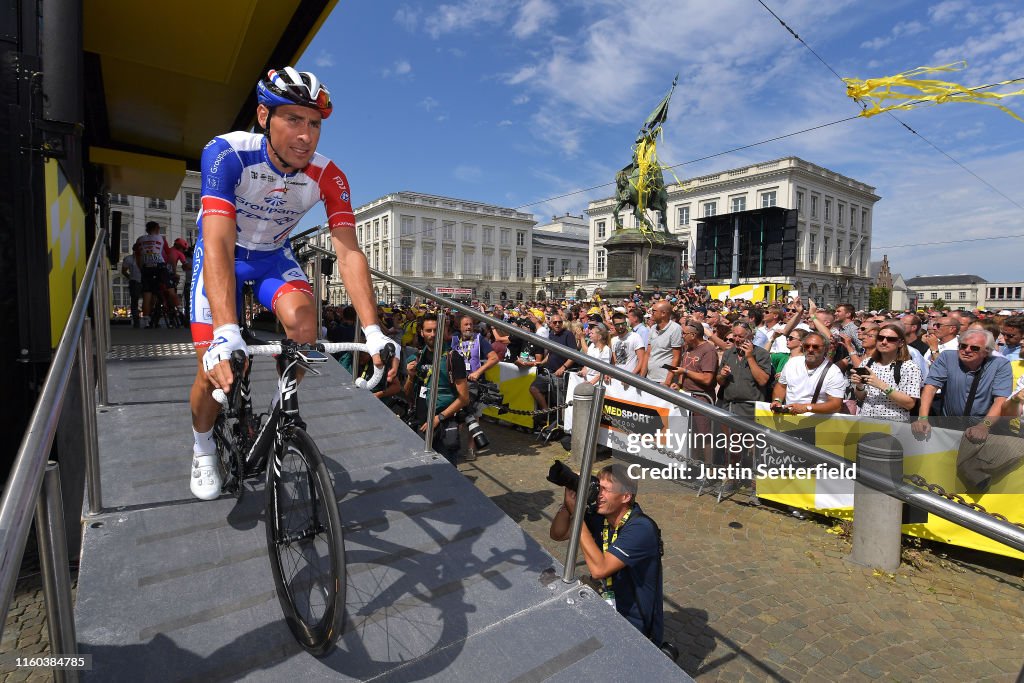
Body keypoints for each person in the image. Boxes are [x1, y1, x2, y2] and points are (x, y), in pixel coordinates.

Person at [187, 67, 391, 500]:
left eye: (314, 124)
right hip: (224, 253)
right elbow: (219, 245)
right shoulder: (227, 153)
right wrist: (225, 332)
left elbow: (350, 253)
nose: (306, 136)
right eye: (293, 120)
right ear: (264, 116)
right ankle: (202, 444)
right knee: (214, 370)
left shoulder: (329, 176)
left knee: (304, 326)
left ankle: (285, 400)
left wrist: (373, 330)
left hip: (272, 259)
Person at [549, 464, 663, 644]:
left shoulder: (642, 528)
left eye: (606, 490)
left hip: (634, 624)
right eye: (598, 487)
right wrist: (568, 505)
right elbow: (558, 533)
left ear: (626, 496)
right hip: (607, 609)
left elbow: (599, 570)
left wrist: (576, 512)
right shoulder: (600, 517)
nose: (598, 495)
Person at [913, 329, 1013, 440]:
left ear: (986, 351)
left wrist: (984, 426)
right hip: (949, 427)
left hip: (982, 429)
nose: (967, 350)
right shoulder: (947, 357)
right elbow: (930, 388)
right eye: (963, 346)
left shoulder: (1000, 365)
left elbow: (1000, 400)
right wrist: (922, 418)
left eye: (974, 348)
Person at [404, 314, 470, 465]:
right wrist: (410, 376)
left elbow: (464, 398)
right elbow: (408, 394)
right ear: (421, 332)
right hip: (421, 424)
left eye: (436, 330)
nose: (433, 334)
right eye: (428, 330)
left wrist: (438, 418)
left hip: (444, 426)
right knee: (423, 472)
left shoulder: (453, 358)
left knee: (448, 474)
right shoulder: (417, 357)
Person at [850, 323, 921, 422]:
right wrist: (859, 385)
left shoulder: (909, 367)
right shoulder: (868, 362)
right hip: (866, 422)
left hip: (894, 425)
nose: (884, 342)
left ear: (900, 343)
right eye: (880, 338)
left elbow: (909, 404)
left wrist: (881, 385)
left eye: (890, 339)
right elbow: (861, 397)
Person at [771, 332, 848, 415]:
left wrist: (807, 408)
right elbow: (781, 386)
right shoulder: (792, 363)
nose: (810, 350)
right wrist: (777, 400)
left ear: (826, 349)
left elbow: (836, 404)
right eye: (807, 346)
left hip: (816, 422)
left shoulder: (833, 372)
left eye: (815, 347)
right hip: (788, 418)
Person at [530, 313, 578, 416]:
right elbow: (550, 354)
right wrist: (541, 363)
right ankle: (546, 411)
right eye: (555, 322)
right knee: (534, 388)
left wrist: (563, 368)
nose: (557, 324)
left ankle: (560, 422)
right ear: (550, 324)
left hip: (561, 374)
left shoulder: (568, 334)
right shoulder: (551, 334)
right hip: (549, 372)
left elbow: (574, 355)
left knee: (560, 402)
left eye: (560, 322)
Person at [135, 221, 171, 328]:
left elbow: (138, 256)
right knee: (162, 290)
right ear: (157, 228)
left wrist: (141, 267)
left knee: (147, 295)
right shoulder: (161, 239)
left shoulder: (139, 240)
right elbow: (168, 254)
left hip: (146, 268)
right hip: (159, 267)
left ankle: (146, 320)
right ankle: (162, 310)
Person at [641, 301, 682, 387]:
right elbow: (648, 354)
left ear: (663, 313)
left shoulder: (675, 329)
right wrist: (641, 377)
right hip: (649, 378)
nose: (651, 313)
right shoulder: (652, 328)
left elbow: (676, 357)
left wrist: (667, 381)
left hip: (663, 380)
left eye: (654, 311)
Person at [610, 311, 645, 379]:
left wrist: (631, 376)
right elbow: (614, 362)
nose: (621, 327)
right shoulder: (613, 340)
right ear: (613, 325)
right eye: (617, 325)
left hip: (631, 378)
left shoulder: (635, 337)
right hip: (617, 378)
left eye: (623, 324)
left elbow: (642, 360)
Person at [120, 249, 143, 328]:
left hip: (137, 281)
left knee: (135, 302)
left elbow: (124, 271)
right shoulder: (129, 259)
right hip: (136, 281)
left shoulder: (129, 259)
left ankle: (138, 321)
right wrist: (131, 278)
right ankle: (137, 321)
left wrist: (130, 277)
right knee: (135, 301)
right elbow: (123, 271)